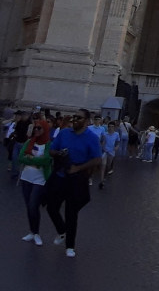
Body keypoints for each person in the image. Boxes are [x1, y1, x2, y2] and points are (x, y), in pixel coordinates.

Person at [45, 109, 103, 257]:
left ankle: (70, 246)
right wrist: (59, 154)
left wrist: (78, 168)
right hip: (60, 173)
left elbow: (97, 159)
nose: (75, 120)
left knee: (71, 212)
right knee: (51, 206)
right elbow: (52, 149)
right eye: (74, 117)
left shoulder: (91, 138)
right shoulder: (64, 133)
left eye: (79, 118)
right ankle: (61, 230)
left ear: (86, 121)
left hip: (76, 177)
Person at [19, 119, 53, 246]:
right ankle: (32, 231)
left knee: (34, 205)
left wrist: (32, 159)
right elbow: (21, 157)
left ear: (45, 130)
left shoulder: (48, 144)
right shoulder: (29, 141)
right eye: (35, 128)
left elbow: (46, 161)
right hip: (26, 177)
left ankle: (37, 233)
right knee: (29, 206)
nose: (36, 130)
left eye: (39, 128)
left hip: (40, 179)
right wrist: (37, 160)